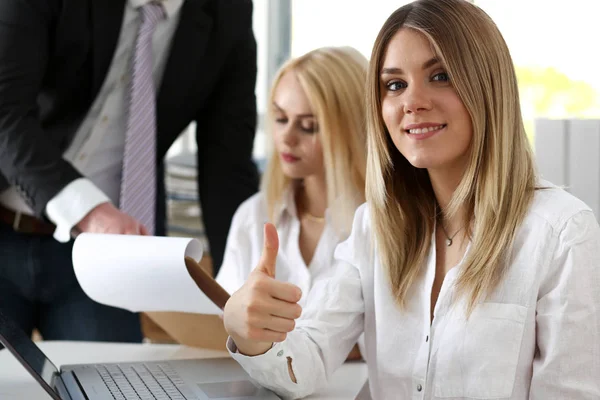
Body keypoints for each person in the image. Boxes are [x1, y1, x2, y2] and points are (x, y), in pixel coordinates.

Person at [221, 0, 600, 399]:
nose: (411, 102)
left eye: (440, 76)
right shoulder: (375, 226)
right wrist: (250, 334)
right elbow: (306, 359)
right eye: (395, 85)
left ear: (489, 86)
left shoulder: (562, 234)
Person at [0, 0, 258, 343]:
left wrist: (246, 292)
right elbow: (5, 113)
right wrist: (89, 210)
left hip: (108, 253)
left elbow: (228, 168)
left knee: (115, 385)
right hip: (8, 224)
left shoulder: (229, 12)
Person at [215, 46, 367, 359]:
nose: (287, 138)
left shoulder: (382, 222)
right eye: (281, 119)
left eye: (308, 125)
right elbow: (222, 323)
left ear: (354, 129)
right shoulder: (254, 215)